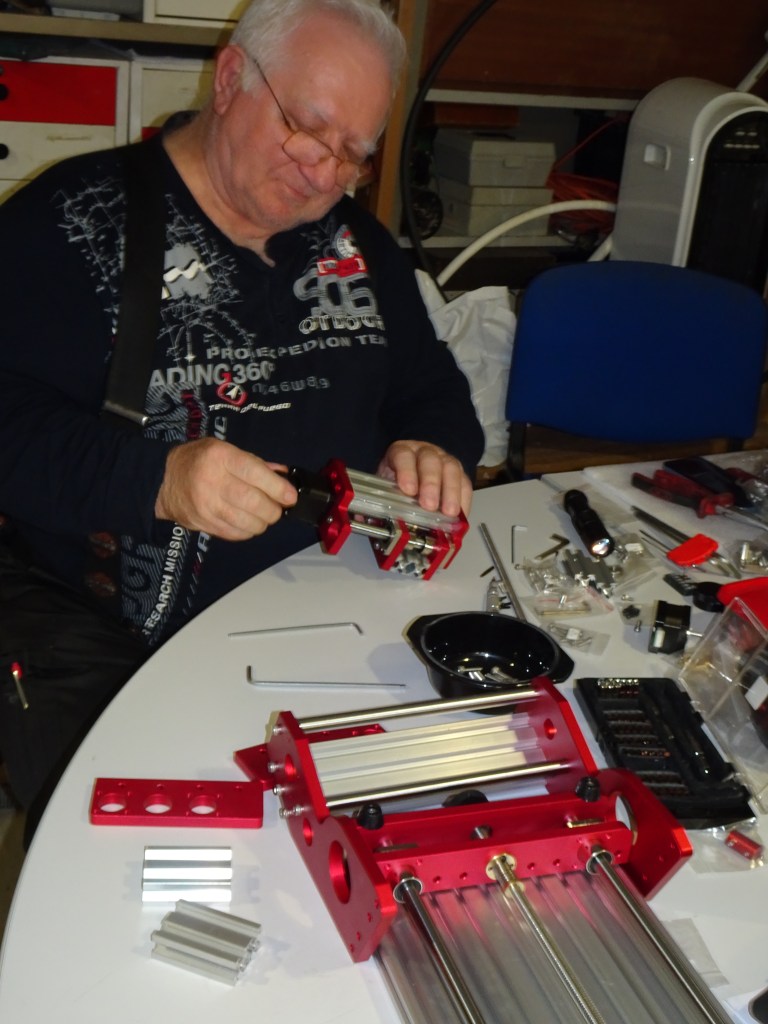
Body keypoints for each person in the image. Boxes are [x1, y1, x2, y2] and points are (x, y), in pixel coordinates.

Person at [0, 0, 484, 811]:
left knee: (448, 796)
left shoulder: (360, 246)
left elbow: (432, 389)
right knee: (148, 841)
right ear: (230, 80)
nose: (323, 173)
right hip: (105, 632)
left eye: (353, 155)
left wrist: (431, 444)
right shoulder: (70, 220)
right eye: (307, 129)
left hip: (340, 605)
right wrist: (156, 480)